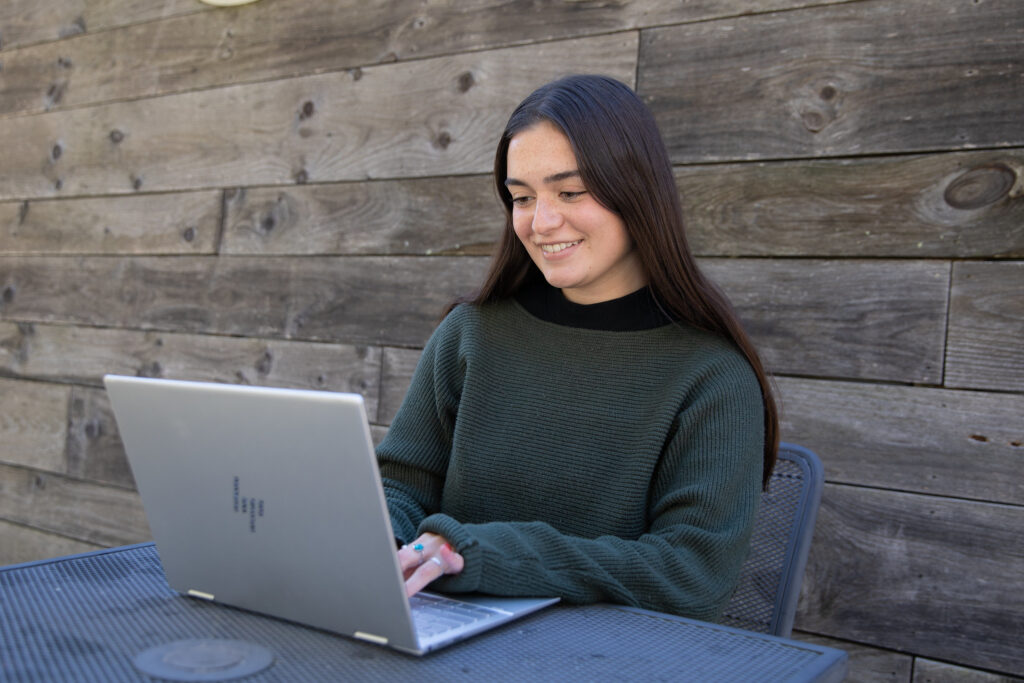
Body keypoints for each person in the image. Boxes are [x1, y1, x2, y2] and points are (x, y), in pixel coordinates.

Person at [375, 74, 778, 622]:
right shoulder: (471, 334)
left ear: (635, 190)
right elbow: (399, 487)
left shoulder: (710, 376)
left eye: (570, 192)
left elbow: (694, 574)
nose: (541, 223)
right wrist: (386, 546)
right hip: (438, 638)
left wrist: (483, 556)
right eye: (521, 197)